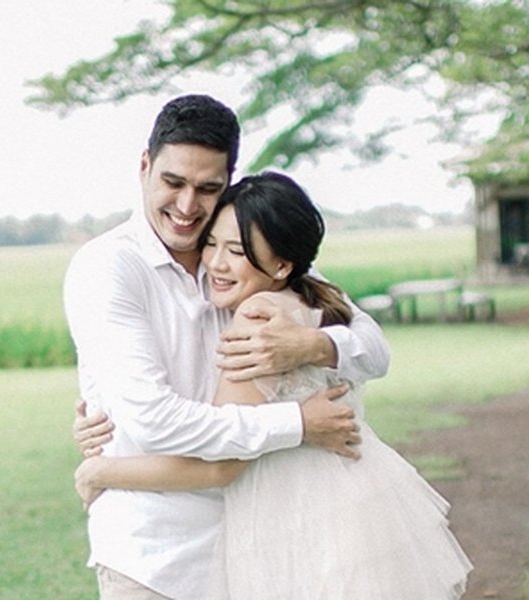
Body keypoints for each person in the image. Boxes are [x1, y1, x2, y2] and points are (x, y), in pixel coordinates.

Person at [74, 172, 472, 598]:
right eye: (213, 244)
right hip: (351, 510)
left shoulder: (258, 318)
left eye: (238, 251)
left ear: (281, 264)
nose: (217, 264)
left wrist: (102, 470)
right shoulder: (317, 294)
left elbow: (222, 464)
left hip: (300, 522)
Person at [63, 95, 391, 600]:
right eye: (173, 183)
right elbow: (153, 420)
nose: (188, 207)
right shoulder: (108, 268)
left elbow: (371, 344)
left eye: (208, 188)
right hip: (155, 557)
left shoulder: (248, 249)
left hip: (256, 543)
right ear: (145, 165)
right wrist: (298, 425)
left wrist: (311, 344)